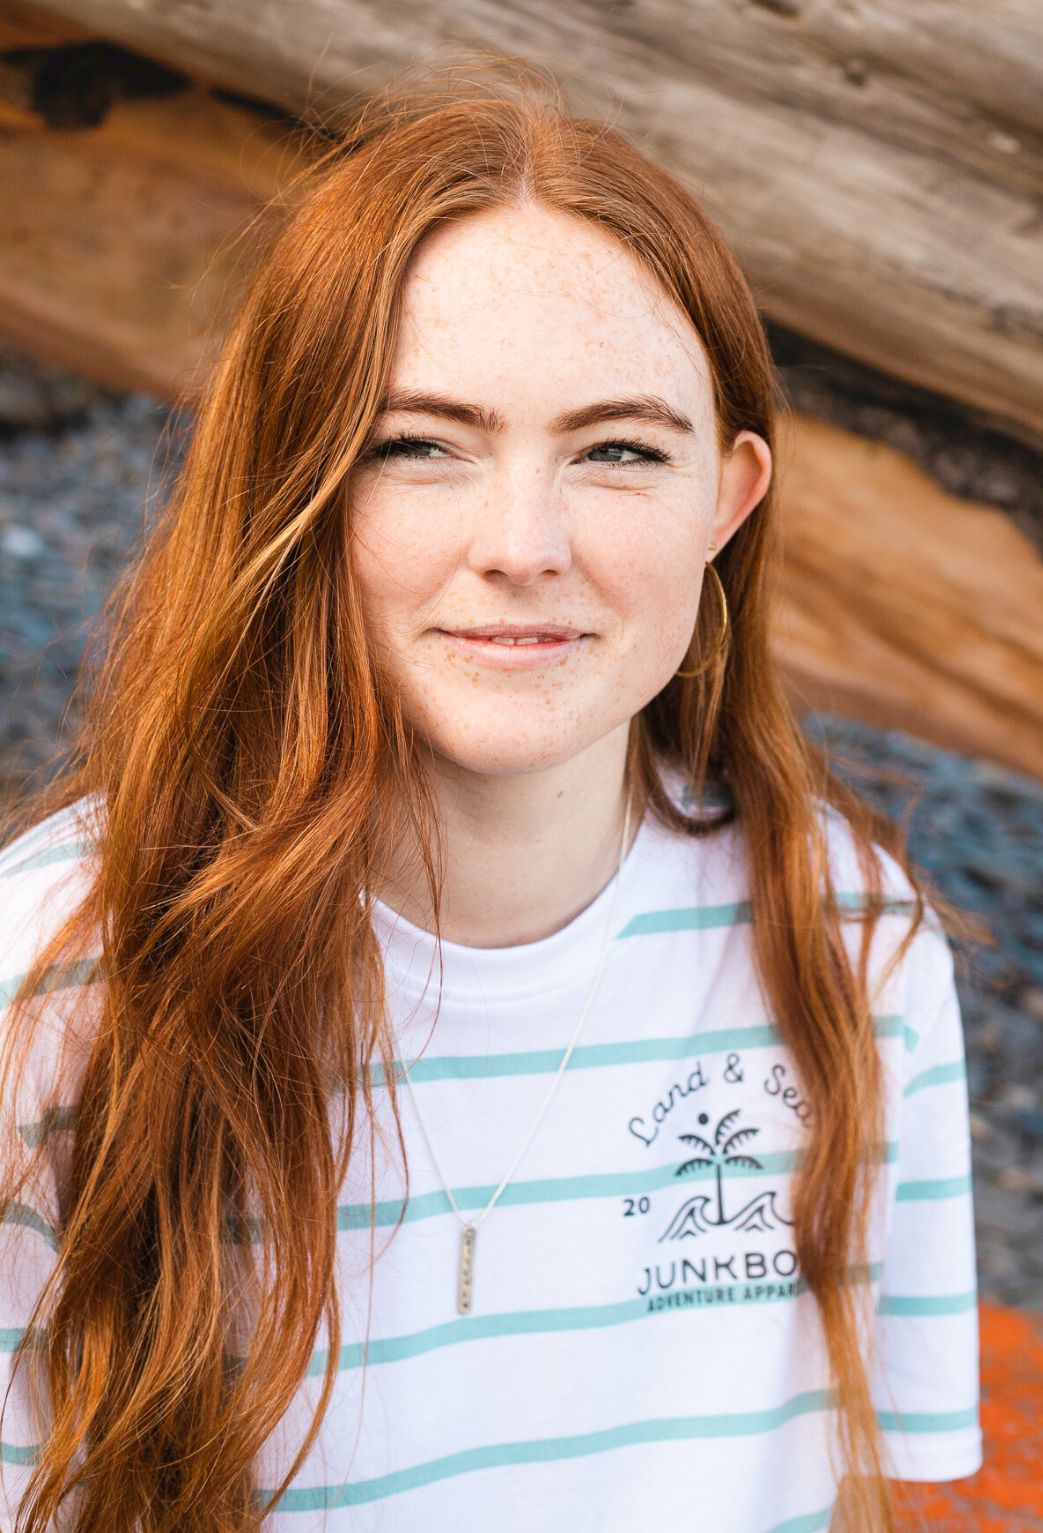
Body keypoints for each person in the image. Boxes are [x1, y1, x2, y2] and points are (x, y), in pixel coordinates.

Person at [0, 58, 983, 1533]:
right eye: (421, 444)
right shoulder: (62, 983)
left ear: (727, 496)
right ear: (299, 487)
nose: (523, 541)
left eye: (618, 449)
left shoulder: (854, 943)